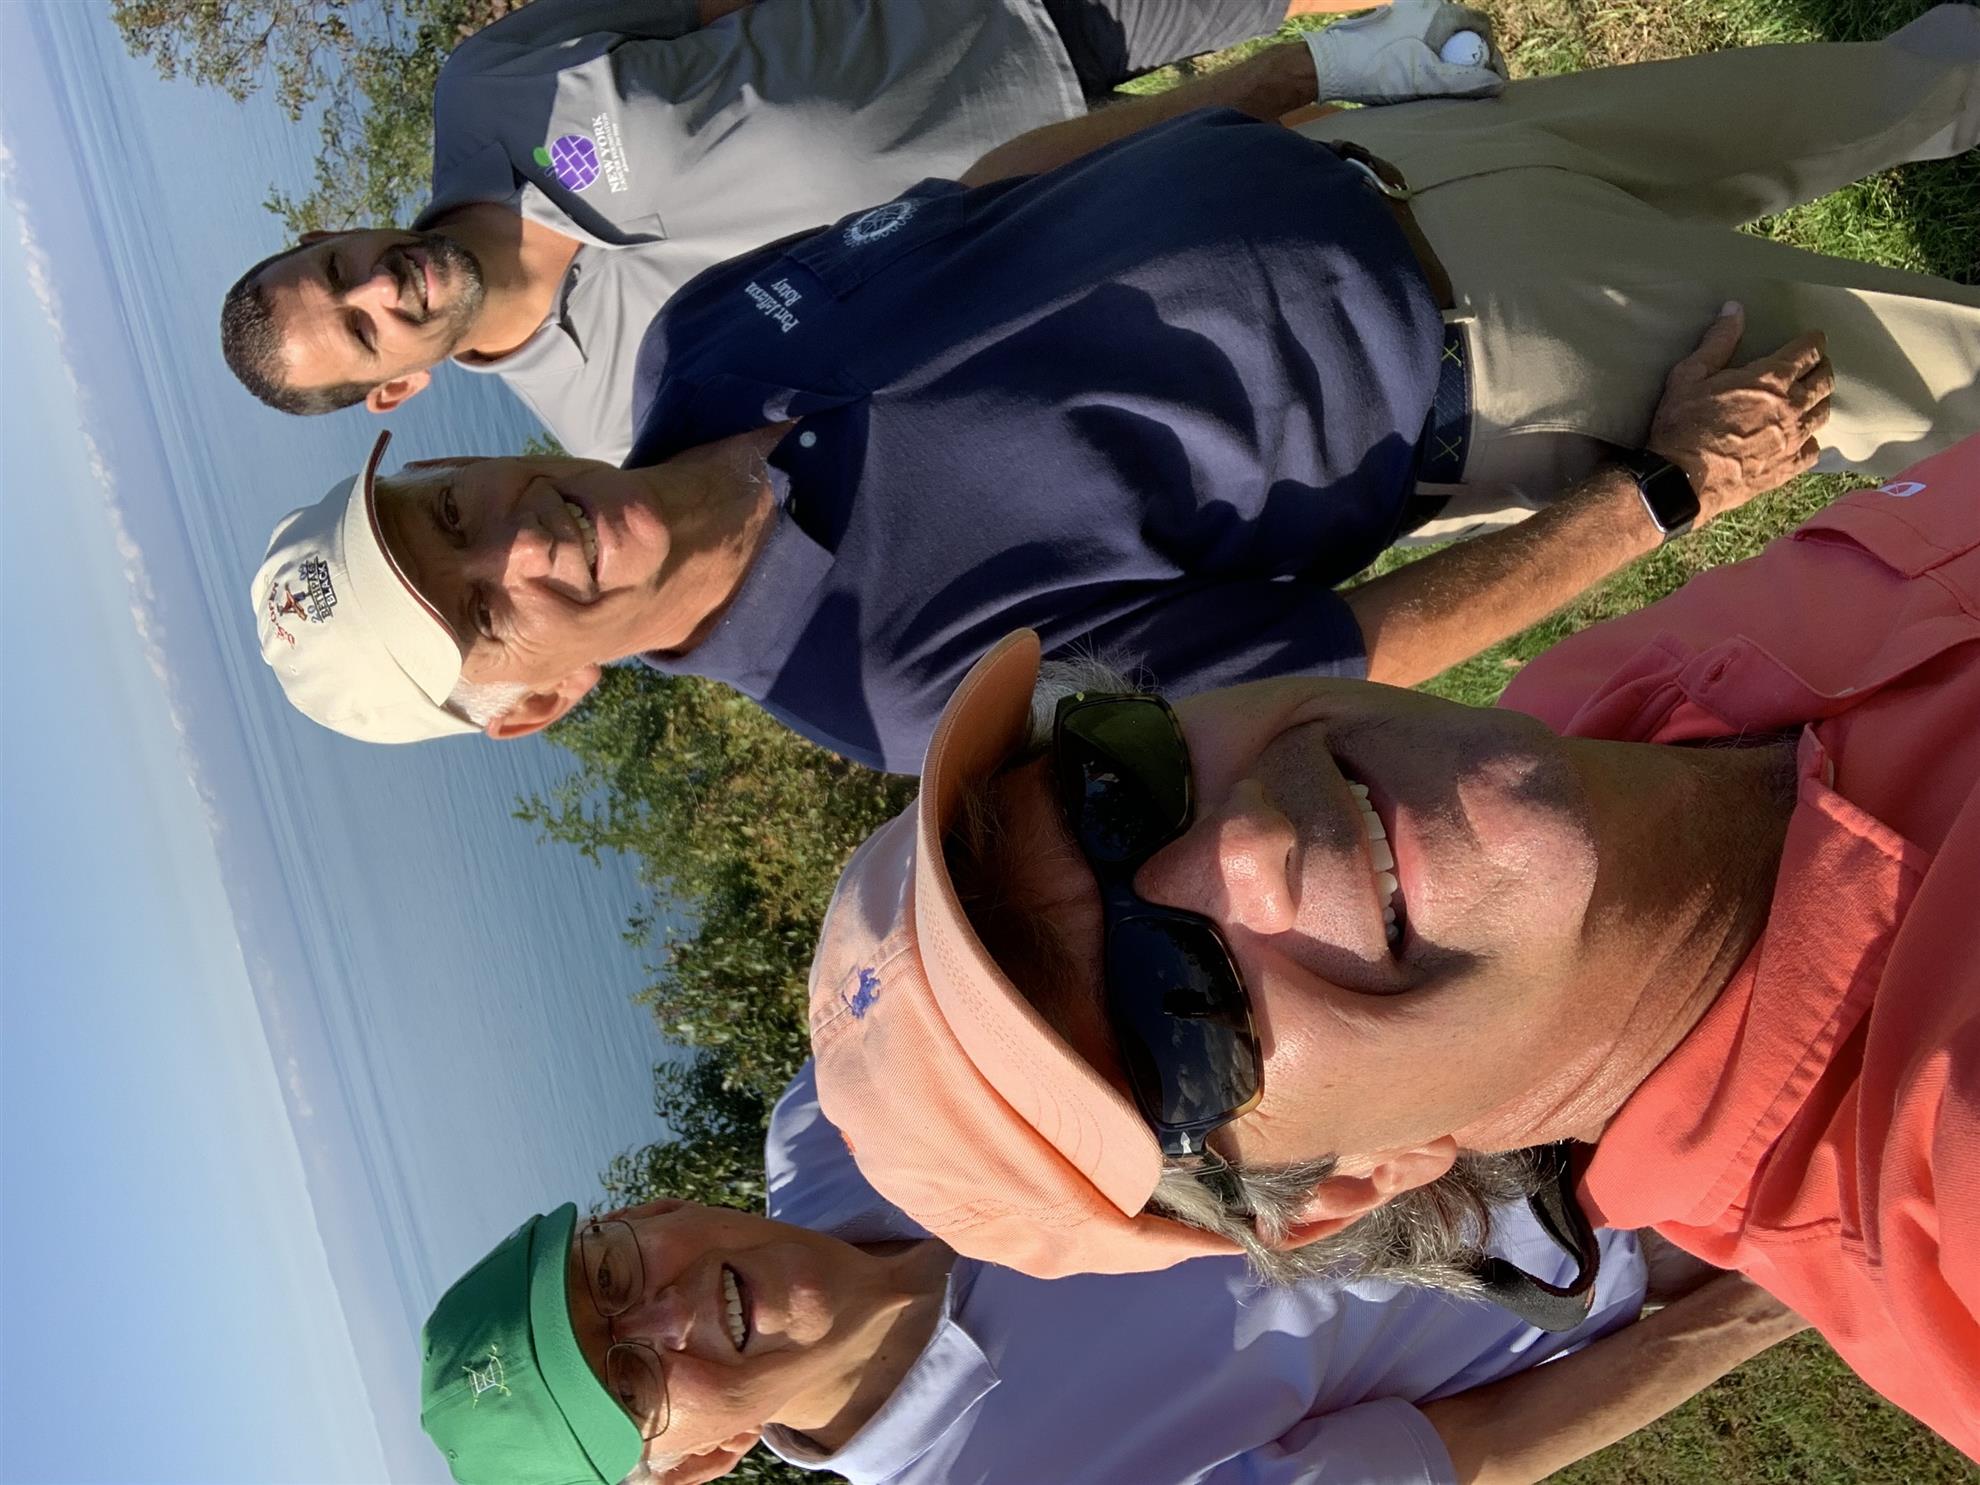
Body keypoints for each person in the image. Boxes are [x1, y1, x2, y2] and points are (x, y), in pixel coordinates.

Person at [804, 432, 1980, 1459]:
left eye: (1116, 785)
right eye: (1172, 1009)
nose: (1247, 848)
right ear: (1347, 1185)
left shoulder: (1589, 704)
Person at [251, 94, 1849, 762]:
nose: (516, 541)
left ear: (449, 456)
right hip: (1524, 366)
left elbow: (984, 196)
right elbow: (1348, 648)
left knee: (1904, 80)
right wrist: (1666, 490)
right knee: (1943, 363)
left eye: (446, 514)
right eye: (481, 611)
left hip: (1410, 147)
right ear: (537, 704)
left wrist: (1304, 76)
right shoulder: (910, 699)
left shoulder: (696, 341)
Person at [409, 1061, 1808, 1485]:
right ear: (695, 1468)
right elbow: (1465, 1452)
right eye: (632, 1382)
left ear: (645, 1207)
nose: (664, 1315)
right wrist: (1758, 1302)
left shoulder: (845, 1113)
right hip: (1649, 1221)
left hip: (1561, 995)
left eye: (610, 1276)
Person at [217, 0, 1443, 461]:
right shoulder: (609, 425)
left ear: (331, 230)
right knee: (1407, 129)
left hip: (1019, 21)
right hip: (1083, 226)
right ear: (395, 389)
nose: (380, 285)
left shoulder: (487, 88)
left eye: (337, 266)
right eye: (362, 330)